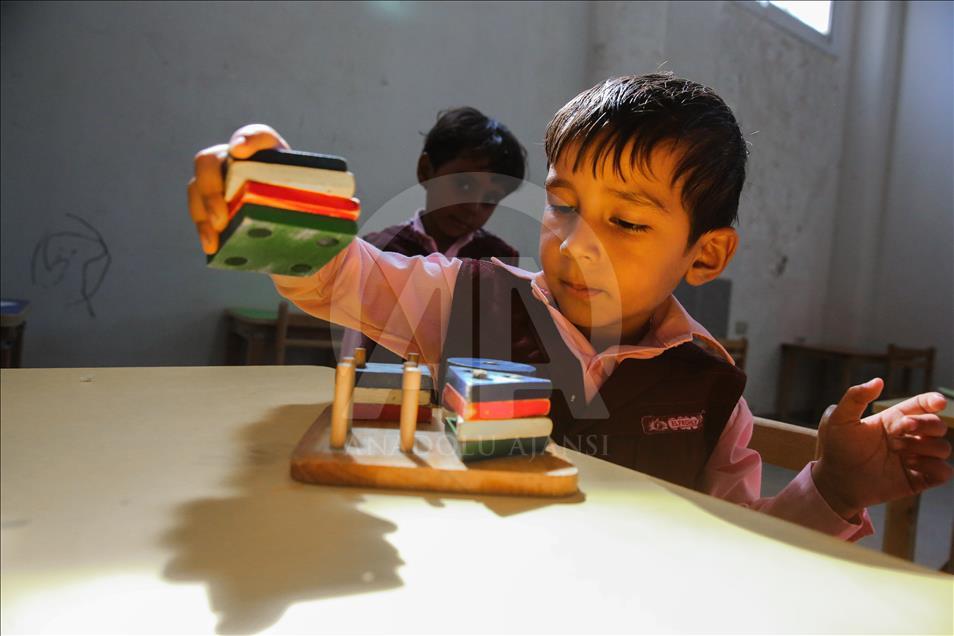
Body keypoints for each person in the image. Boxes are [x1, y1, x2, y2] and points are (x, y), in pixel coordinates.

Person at [188, 74, 951, 541]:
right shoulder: (467, 294)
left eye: (626, 221)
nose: (578, 244)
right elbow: (342, 278)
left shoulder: (711, 386)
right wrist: (278, 218)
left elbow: (739, 546)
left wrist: (834, 488)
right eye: (561, 206)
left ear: (706, 254)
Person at [346, 106, 527, 360]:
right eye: (464, 185)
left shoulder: (500, 262)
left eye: (490, 199)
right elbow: (355, 348)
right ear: (426, 170)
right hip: (385, 385)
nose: (473, 207)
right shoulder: (379, 249)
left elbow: (505, 353)